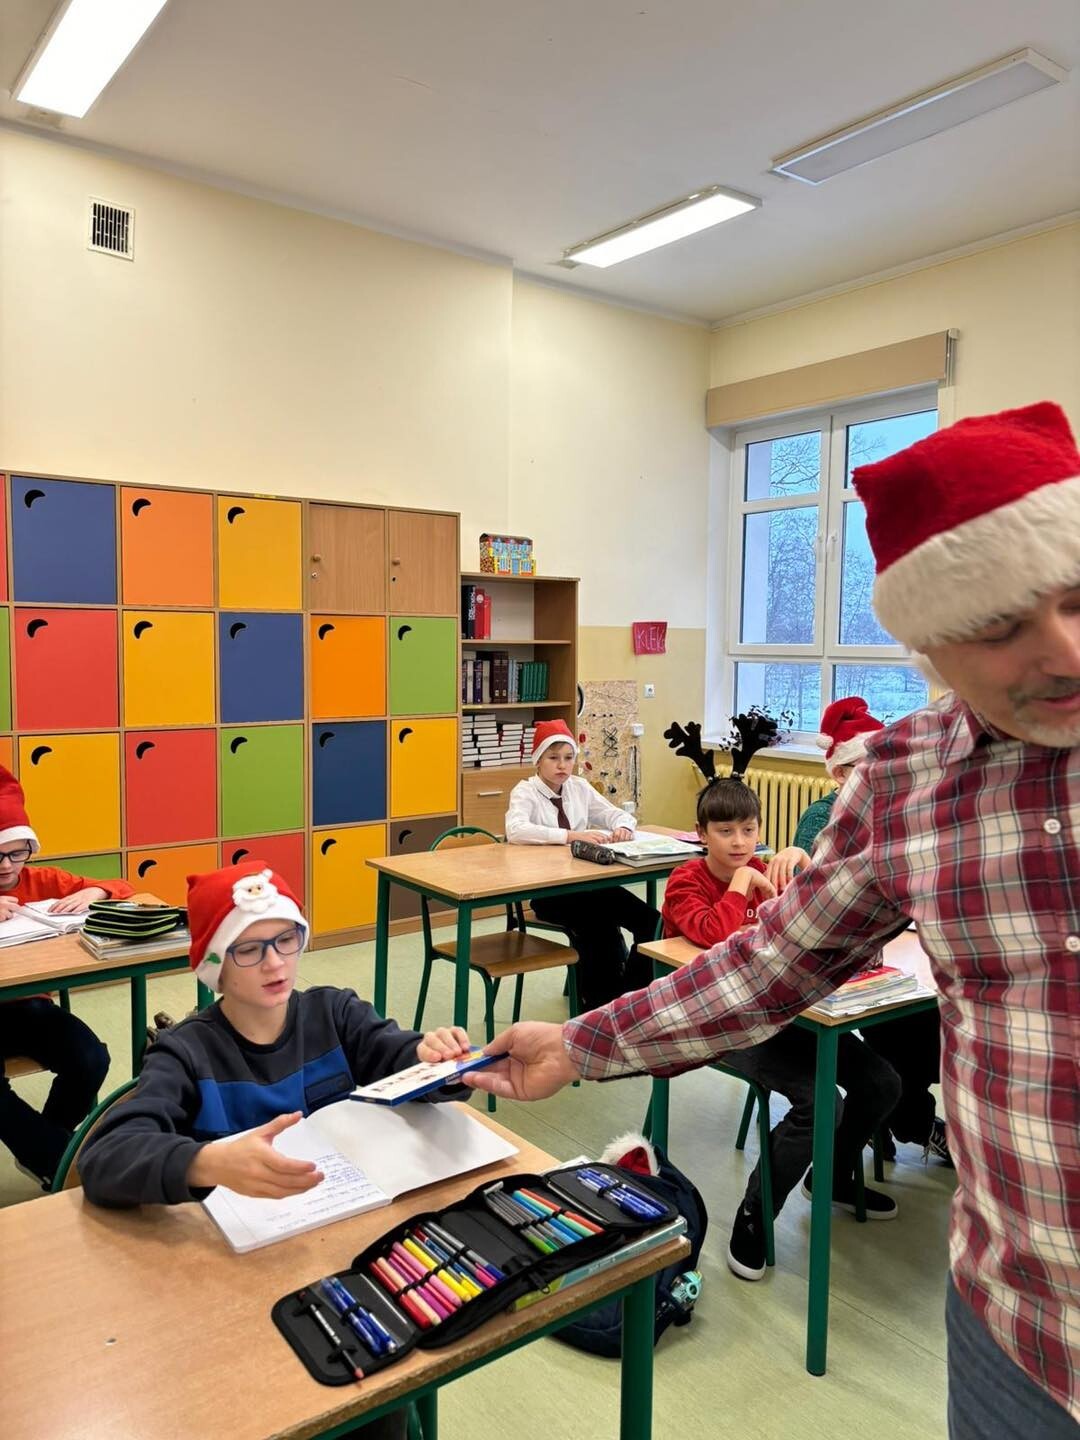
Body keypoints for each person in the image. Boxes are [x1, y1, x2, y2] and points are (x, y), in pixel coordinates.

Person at [467, 402, 1080, 1437]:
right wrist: (579, 1043)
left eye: (1077, 597)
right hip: (1024, 1331)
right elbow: (765, 972)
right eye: (1000, 626)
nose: (1064, 649)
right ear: (931, 646)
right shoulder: (905, 785)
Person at [663, 775, 900, 1280]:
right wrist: (740, 884)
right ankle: (757, 1212)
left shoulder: (766, 871)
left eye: (749, 830)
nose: (739, 842)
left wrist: (806, 867)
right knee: (821, 1103)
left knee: (883, 1082)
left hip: (784, 1015)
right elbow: (712, 936)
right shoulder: (686, 882)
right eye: (725, 831)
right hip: (717, 1024)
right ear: (701, 833)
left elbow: (814, 924)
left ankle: (832, 1176)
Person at [802, 696, 950, 1166]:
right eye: (862, 767)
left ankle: (900, 1116)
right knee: (895, 1038)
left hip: (880, 958)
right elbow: (812, 892)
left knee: (925, 1023)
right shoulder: (821, 818)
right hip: (832, 967)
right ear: (840, 773)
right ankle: (910, 1122)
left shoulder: (893, 815)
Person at [0, 764, 130, 1189]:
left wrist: (96, 891)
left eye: (18, 853)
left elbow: (122, 887)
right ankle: (60, 1160)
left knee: (91, 1058)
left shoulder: (41, 880)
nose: (7, 866)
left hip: (28, 1008)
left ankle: (48, 1148)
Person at [504, 720, 659, 1010]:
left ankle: (632, 994)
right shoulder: (525, 791)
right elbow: (516, 830)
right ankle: (600, 1005)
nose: (562, 765)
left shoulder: (579, 787)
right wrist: (571, 836)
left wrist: (623, 827)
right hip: (551, 893)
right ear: (538, 761)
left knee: (651, 921)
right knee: (599, 927)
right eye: (553, 758)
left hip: (590, 885)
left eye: (568, 757)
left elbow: (617, 814)